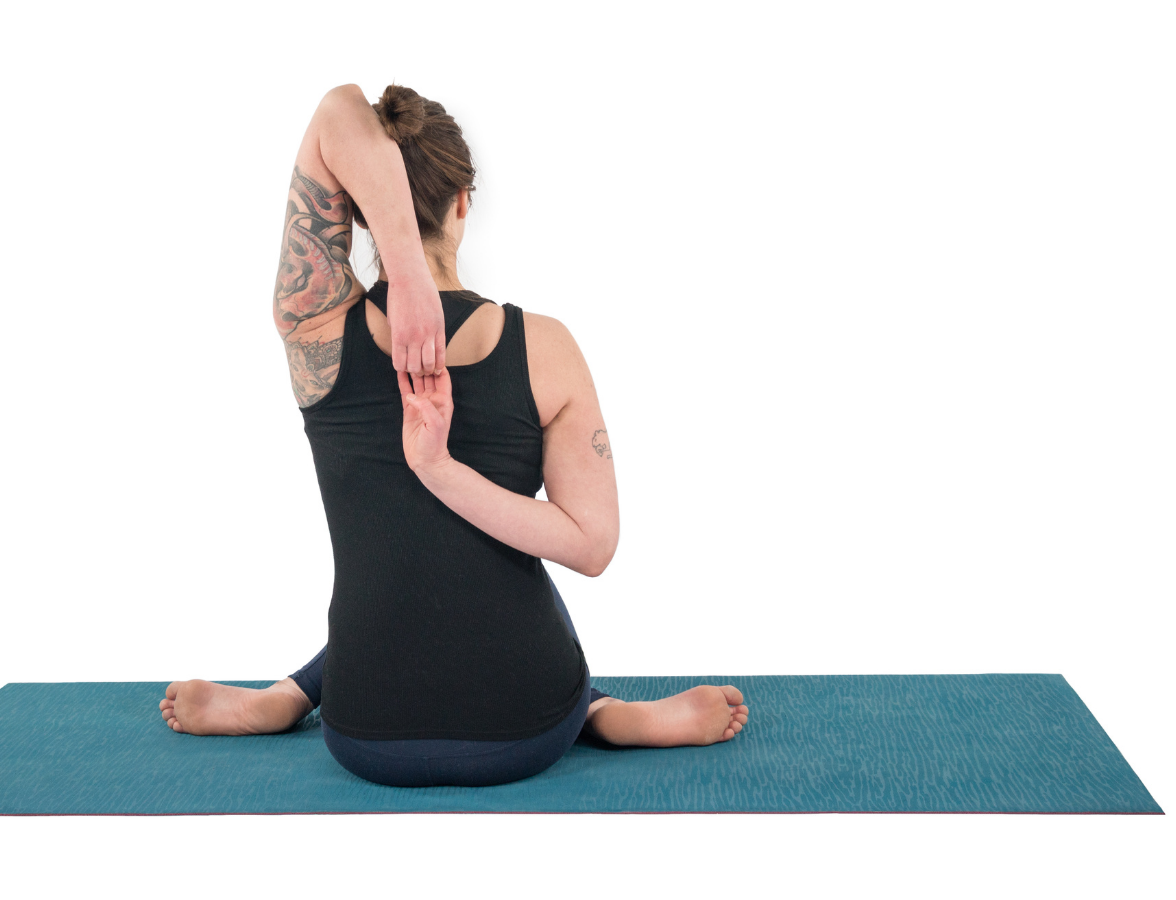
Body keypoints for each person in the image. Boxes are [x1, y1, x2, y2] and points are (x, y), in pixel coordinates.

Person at [161, 84, 748, 788]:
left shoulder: (311, 321)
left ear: (355, 207)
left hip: (362, 732)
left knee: (393, 571)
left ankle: (290, 694)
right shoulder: (547, 349)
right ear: (463, 200)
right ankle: (599, 711)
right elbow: (592, 548)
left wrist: (400, 278)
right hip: (525, 730)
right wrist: (442, 471)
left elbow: (335, 112)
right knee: (506, 568)